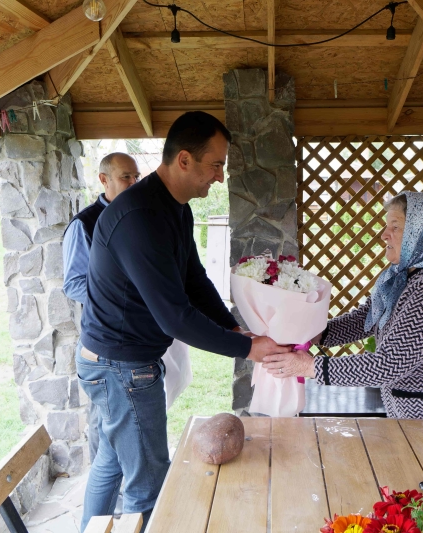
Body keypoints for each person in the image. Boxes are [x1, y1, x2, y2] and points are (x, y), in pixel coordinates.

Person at [76, 111, 290, 531]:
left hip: (120, 362)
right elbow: (175, 316)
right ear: (185, 160)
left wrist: (231, 326)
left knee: (114, 461)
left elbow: (194, 280)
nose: (221, 176)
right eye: (216, 164)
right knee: (149, 485)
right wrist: (249, 348)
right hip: (120, 367)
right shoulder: (139, 217)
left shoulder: (175, 208)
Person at [263, 191, 423, 438]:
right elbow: (366, 318)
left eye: (396, 227)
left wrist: (308, 366)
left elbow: (388, 365)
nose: (384, 235)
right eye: (386, 226)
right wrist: (316, 333)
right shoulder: (405, 274)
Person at [62, 152, 140, 463]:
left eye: (136, 177)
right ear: (104, 179)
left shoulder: (139, 217)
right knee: (104, 418)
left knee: (134, 416)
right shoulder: (84, 224)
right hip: (104, 341)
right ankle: (106, 490)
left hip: (138, 338)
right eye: (126, 177)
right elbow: (73, 283)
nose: (134, 183)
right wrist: (121, 301)